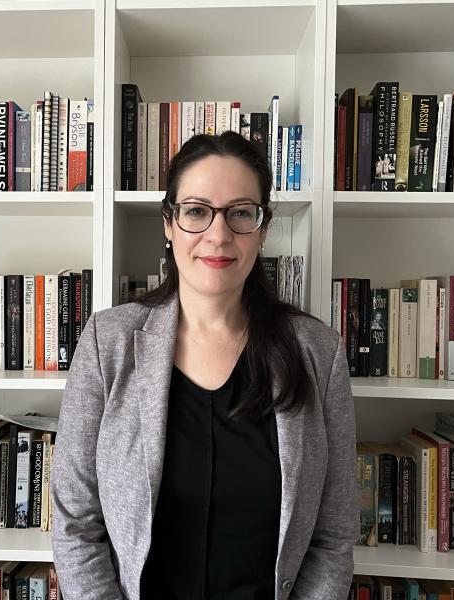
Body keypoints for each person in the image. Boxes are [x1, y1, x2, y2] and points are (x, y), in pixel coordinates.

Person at [51, 131, 356, 600]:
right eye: (196, 211)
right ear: (169, 224)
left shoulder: (320, 354)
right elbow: (75, 523)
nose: (218, 235)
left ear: (263, 227)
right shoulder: (105, 343)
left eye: (240, 213)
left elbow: (333, 535)